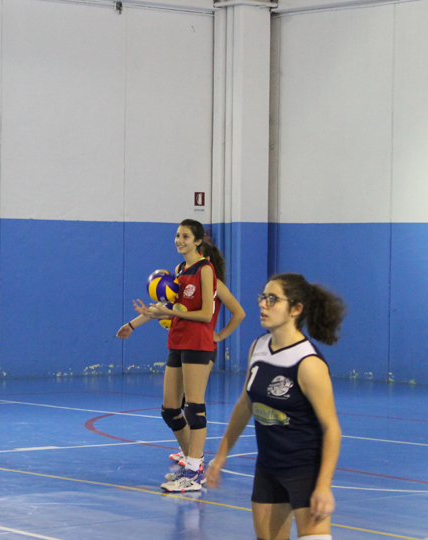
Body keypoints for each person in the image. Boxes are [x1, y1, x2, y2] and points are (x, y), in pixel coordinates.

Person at [207, 274, 344, 540]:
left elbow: (332, 429)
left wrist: (323, 486)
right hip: (268, 469)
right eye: (263, 297)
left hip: (305, 472)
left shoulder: (308, 363)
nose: (263, 304)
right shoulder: (258, 347)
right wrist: (221, 455)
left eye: (273, 299)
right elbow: (245, 403)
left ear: (295, 309)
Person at [130, 219, 216, 492]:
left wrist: (171, 312)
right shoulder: (179, 270)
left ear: (198, 241)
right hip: (177, 341)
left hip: (197, 342)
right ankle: (193, 464)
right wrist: (139, 320)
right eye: (177, 235)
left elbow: (206, 314)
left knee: (194, 408)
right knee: (170, 410)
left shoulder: (205, 269)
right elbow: (172, 307)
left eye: (186, 236)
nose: (179, 240)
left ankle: (193, 474)